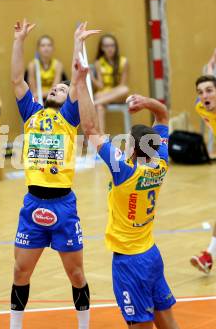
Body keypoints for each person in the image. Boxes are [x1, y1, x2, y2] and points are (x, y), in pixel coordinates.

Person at [75, 25, 179, 328]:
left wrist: (81, 83)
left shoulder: (125, 172)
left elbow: (91, 130)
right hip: (151, 254)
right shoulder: (160, 164)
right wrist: (147, 102)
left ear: (131, 147)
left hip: (130, 262)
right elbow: (163, 116)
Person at [9, 19, 99, 329]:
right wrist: (19, 40)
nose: (55, 88)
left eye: (60, 88)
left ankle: (84, 325)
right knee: (21, 272)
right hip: (33, 204)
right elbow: (17, 78)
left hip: (62, 206)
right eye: (53, 87)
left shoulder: (69, 117)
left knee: (76, 275)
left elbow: (76, 77)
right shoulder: (31, 113)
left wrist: (78, 42)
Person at [190, 75, 216, 273]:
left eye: (209, 91)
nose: (204, 96)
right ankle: (208, 256)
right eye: (200, 92)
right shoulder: (200, 108)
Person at [92, 34, 130, 133]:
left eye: (112, 45)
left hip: (118, 95)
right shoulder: (98, 63)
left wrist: (109, 94)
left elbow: (122, 85)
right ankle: (102, 139)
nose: (110, 48)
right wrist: (91, 76)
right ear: (102, 48)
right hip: (104, 94)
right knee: (99, 106)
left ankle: (96, 102)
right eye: (106, 46)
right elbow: (100, 86)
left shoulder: (123, 61)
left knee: (125, 89)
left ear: (116, 47)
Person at [27, 35, 65, 102]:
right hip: (37, 99)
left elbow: (55, 90)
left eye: (49, 45)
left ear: (53, 48)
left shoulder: (58, 65)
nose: (46, 48)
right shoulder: (32, 65)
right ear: (38, 49)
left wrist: (42, 94)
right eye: (43, 45)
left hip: (53, 99)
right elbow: (33, 91)